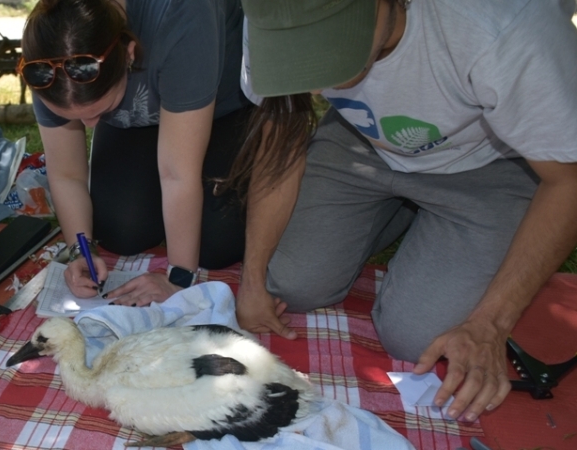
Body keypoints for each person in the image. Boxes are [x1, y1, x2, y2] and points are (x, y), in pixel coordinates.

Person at [234, 0, 577, 425]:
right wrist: (251, 278)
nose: (318, 88)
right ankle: (405, 215)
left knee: (419, 338)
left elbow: (568, 180)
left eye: (326, 47)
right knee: (288, 285)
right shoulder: (272, 12)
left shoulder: (506, 25)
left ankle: (429, 225)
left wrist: (489, 324)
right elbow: (280, 131)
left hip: (490, 160)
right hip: (362, 141)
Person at [19, 0, 251, 304]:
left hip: (219, 108)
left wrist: (179, 278)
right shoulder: (51, 48)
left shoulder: (182, 14)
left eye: (98, 110)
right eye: (73, 117)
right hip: (139, 117)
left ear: (128, 54)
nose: (88, 126)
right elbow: (66, 173)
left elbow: (178, 174)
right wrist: (81, 250)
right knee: (121, 231)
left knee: (217, 243)